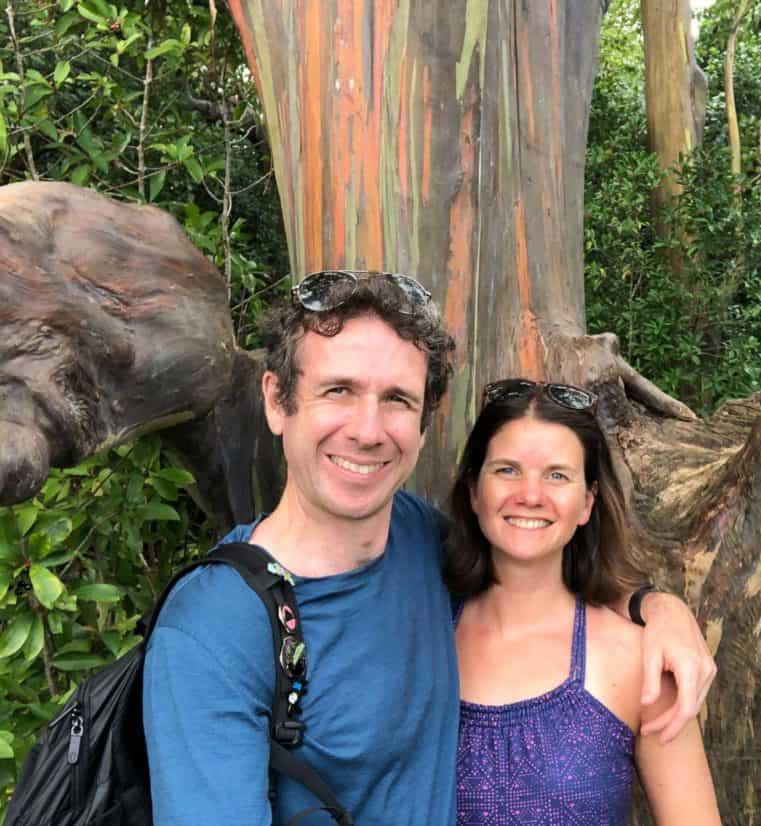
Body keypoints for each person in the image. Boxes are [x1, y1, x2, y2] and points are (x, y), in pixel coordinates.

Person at [143, 270, 718, 825]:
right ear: (277, 400)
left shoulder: (421, 543)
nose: (367, 430)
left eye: (396, 399)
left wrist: (659, 609)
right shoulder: (213, 629)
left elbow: (532, 564)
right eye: (338, 390)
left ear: (424, 423)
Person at [446, 379, 721, 825]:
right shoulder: (424, 628)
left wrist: (662, 607)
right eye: (507, 470)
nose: (531, 495)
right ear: (474, 491)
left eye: (557, 475)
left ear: (587, 502)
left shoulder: (640, 662)